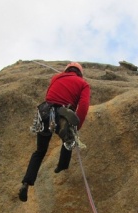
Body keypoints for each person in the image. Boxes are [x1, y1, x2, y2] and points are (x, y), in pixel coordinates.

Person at [19, 62, 91, 202]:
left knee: (40, 152)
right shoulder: (83, 84)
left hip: (45, 112)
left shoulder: (56, 77)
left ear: (67, 70)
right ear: (80, 73)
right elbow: (83, 106)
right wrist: (78, 125)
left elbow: (50, 93)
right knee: (68, 138)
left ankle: (26, 183)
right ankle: (62, 166)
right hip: (60, 113)